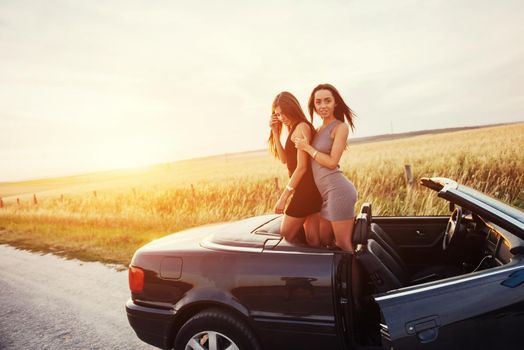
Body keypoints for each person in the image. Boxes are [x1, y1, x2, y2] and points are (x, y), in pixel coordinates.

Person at [294, 84, 358, 251]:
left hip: (339, 191)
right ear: (313, 105)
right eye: (318, 102)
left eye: (327, 101)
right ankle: (337, 277)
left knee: (344, 245)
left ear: (335, 103)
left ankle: (361, 278)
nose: (323, 106)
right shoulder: (317, 129)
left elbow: (332, 162)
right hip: (326, 196)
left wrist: (307, 147)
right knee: (325, 242)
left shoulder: (340, 127)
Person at [268, 91, 322, 246]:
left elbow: (302, 168)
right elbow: (285, 160)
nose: (281, 117)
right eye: (278, 114)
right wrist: (275, 133)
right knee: (313, 240)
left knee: (285, 237)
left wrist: (283, 197)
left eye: (284, 113)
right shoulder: (294, 127)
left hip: (306, 191)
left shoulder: (301, 127)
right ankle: (319, 269)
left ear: (293, 108)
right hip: (307, 190)